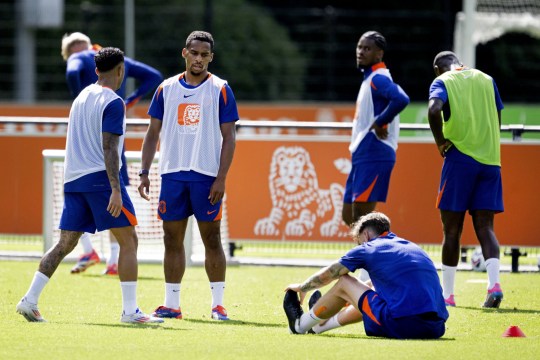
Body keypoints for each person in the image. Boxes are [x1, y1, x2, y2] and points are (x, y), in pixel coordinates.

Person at [16, 47, 162, 324]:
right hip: (100, 181)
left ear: (96, 70)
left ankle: (29, 300)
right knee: (129, 240)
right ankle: (130, 312)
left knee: (64, 245)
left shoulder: (80, 98)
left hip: (73, 180)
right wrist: (116, 189)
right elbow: (109, 147)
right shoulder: (114, 101)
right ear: (121, 71)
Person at [138, 31, 239, 321]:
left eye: (204, 54)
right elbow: (151, 133)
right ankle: (172, 305)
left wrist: (221, 178)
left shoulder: (220, 88)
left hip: (206, 177)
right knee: (171, 239)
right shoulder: (166, 88)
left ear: (211, 57)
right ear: (185, 53)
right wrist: (144, 172)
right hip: (172, 174)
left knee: (212, 239)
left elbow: (229, 137)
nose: (199, 59)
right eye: (194, 53)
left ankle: (218, 305)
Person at [61, 32, 163, 275]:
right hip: (105, 159)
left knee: (69, 233)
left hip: (78, 165)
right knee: (122, 221)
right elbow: (154, 76)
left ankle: (88, 252)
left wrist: (78, 96)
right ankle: (114, 263)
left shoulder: (80, 75)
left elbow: (72, 72)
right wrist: (131, 100)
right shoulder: (109, 80)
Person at [337, 30, 410, 329]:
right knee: (350, 216)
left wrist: (382, 121)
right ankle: (370, 271)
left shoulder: (380, 77)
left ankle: (370, 277)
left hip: (375, 152)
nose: (361, 51)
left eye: (367, 48)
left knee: (365, 218)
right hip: (362, 154)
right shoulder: (370, 79)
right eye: (359, 46)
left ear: (380, 54)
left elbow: (401, 98)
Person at [283, 212, 448, 339]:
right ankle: (319, 326)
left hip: (403, 325)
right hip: (436, 328)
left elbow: (331, 272)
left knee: (344, 282)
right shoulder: (412, 247)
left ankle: (299, 325)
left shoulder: (369, 247)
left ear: (366, 235)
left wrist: (302, 287)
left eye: (358, 241)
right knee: (372, 291)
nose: (359, 245)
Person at [427, 51, 505, 308]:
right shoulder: (486, 78)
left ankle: (447, 295)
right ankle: (494, 285)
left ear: (438, 69)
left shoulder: (444, 81)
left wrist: (440, 143)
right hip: (491, 161)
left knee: (451, 230)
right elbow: (498, 116)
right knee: (486, 227)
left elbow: (434, 109)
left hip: (459, 159)